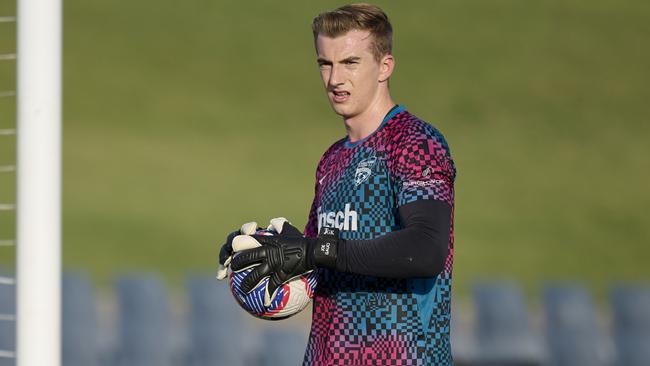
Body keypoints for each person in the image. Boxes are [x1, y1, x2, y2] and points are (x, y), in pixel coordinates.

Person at [218, 4, 456, 365]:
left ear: (384, 66)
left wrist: (318, 251)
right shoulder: (332, 160)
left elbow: (425, 249)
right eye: (325, 64)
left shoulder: (415, 143)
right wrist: (263, 251)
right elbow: (317, 261)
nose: (334, 79)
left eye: (350, 63)